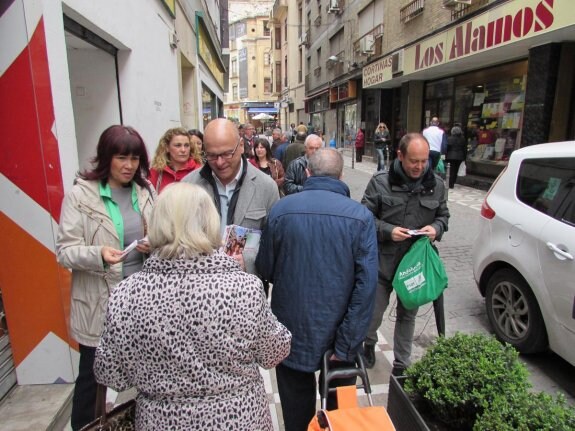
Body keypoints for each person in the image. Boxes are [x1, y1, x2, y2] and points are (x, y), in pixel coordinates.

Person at [94, 182, 291, 430]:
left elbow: (111, 374)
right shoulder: (244, 288)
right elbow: (273, 353)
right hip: (238, 418)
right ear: (210, 223)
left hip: (161, 421)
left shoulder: (126, 294)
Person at [256, 148, 378, 431]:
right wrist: (347, 342)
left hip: (290, 333)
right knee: (338, 417)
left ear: (307, 173)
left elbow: (266, 268)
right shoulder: (360, 217)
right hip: (340, 338)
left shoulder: (281, 210)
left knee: (296, 415)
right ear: (341, 175)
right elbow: (366, 286)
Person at [56, 125, 155, 430]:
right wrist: (98, 253)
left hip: (143, 303)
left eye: (135, 158)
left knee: (145, 375)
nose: (129, 166)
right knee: (92, 378)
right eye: (122, 158)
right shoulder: (81, 196)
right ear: (106, 157)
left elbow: (163, 234)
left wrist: (156, 243)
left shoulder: (146, 190)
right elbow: (64, 251)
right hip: (100, 304)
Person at [361, 133, 450, 375]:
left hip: (415, 263)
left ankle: (401, 362)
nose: (419, 167)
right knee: (374, 313)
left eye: (424, 161)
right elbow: (364, 217)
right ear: (400, 156)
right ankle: (368, 344)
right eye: (414, 161)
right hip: (382, 262)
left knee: (407, 315)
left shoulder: (437, 185)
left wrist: (436, 228)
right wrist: (388, 231)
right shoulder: (380, 182)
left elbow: (444, 216)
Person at [182, 118, 279, 271]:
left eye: (227, 154)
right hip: (198, 285)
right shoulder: (188, 186)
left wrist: (247, 261)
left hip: (245, 287)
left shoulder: (266, 187)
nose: (220, 162)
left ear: (241, 146)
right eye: (212, 156)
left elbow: (274, 244)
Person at [149, 127, 202, 193]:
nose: (183, 150)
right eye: (178, 145)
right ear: (167, 148)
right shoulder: (157, 172)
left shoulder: (199, 172)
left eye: (186, 145)